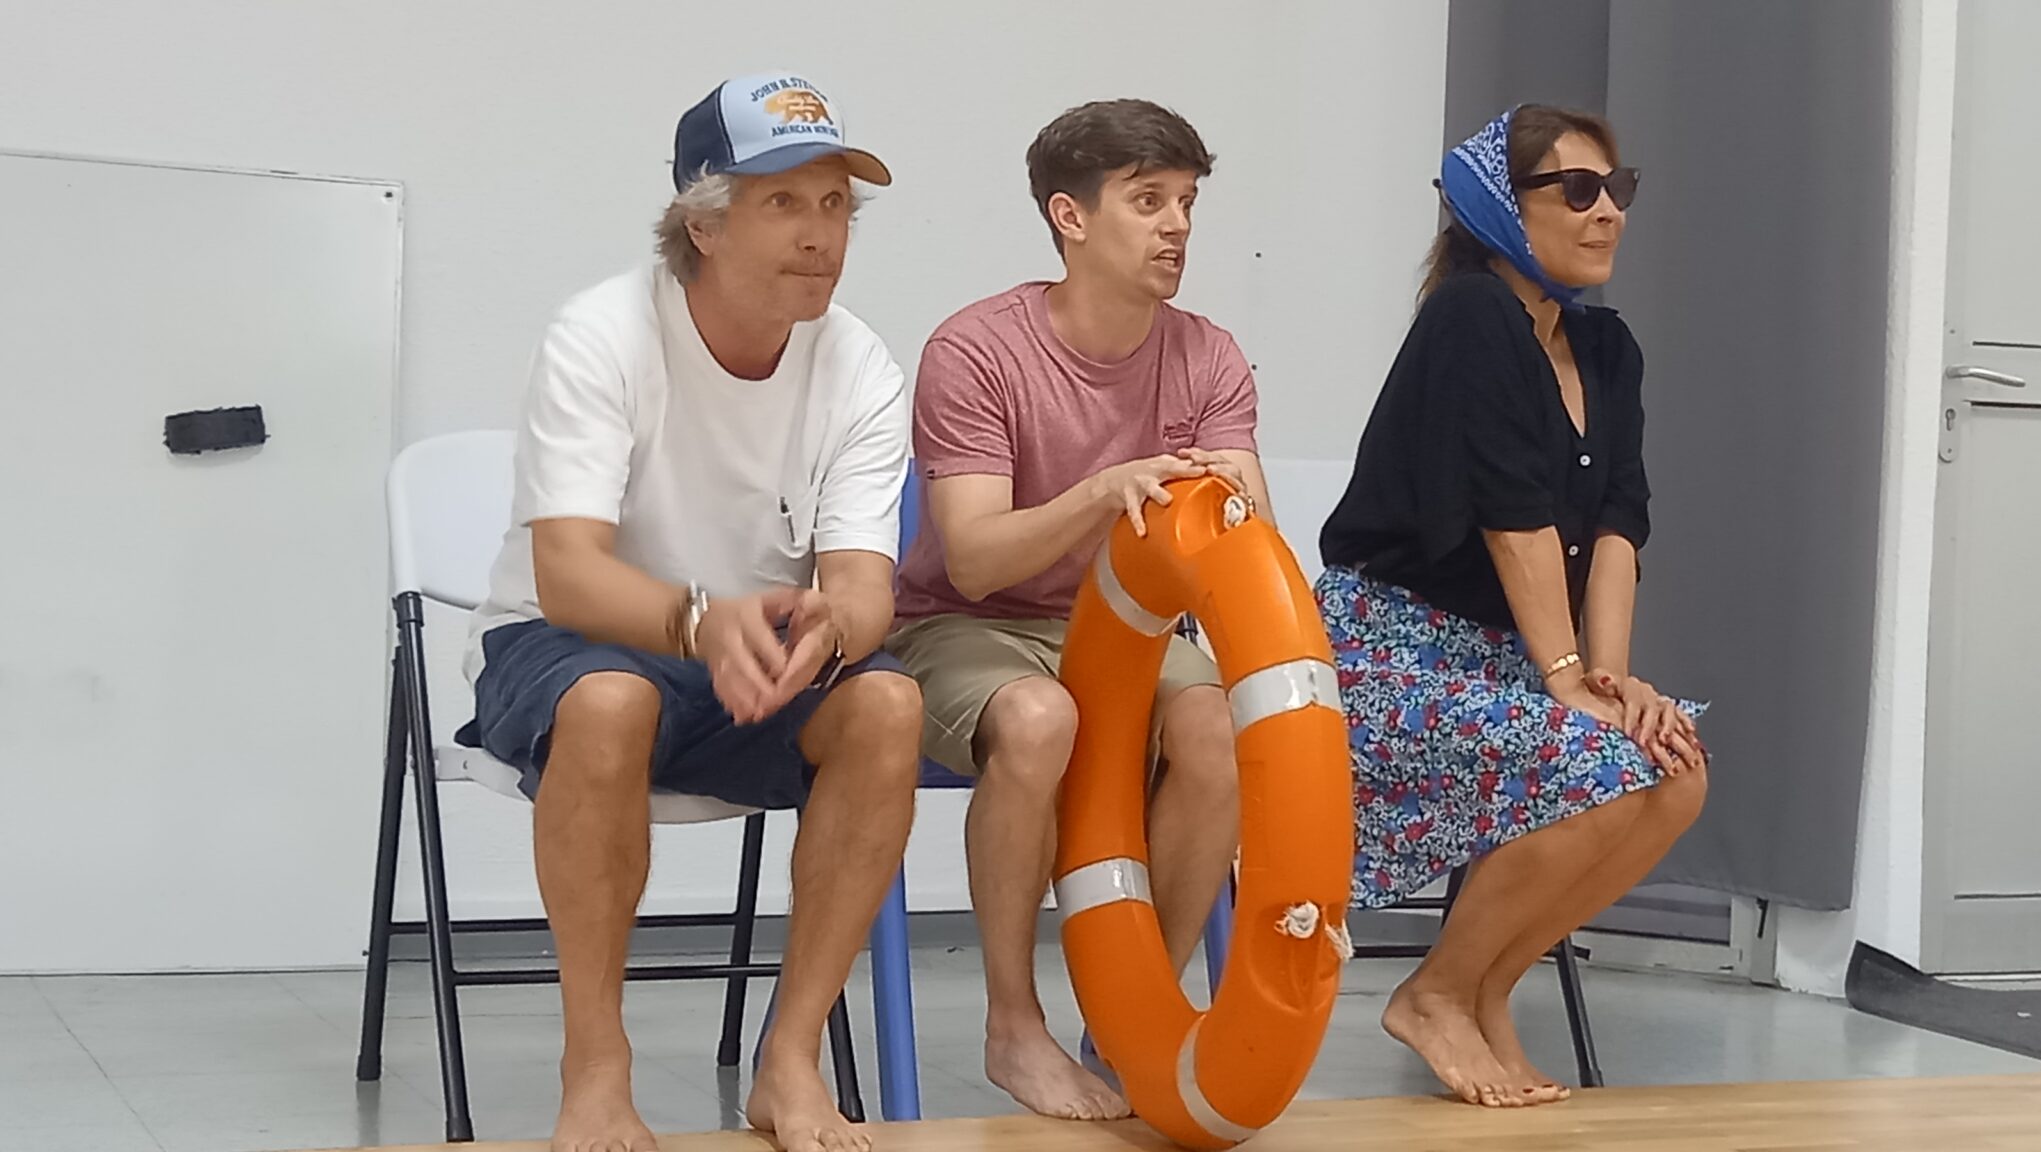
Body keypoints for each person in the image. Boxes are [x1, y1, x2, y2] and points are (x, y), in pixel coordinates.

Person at [457, 72, 920, 1152]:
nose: (820, 235)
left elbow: (864, 587)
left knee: (888, 707)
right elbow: (569, 575)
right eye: (783, 202)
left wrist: (833, 629)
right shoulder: (601, 332)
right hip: (573, 644)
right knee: (611, 701)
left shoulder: (858, 360)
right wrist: (704, 621)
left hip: (749, 657)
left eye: (835, 205)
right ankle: (596, 1067)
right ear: (702, 223)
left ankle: (790, 1061)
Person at [1317, 104, 1710, 1109]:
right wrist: (1568, 681)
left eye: (1617, 189)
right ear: (1502, 207)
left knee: (1673, 773)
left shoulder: (1608, 348)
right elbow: (1513, 520)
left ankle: (1485, 991)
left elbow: (1618, 528)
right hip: (1390, 653)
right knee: (1598, 770)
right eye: (1576, 190)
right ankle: (1435, 993)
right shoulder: (1471, 313)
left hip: (1510, 656)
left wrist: (1610, 681)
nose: (1607, 211)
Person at [885, 98, 1265, 1121]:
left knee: (1218, 728)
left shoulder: (1210, 356)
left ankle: (1132, 1013)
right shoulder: (977, 349)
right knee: (1038, 719)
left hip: (1128, 629)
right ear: (1071, 216)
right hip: (965, 626)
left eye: (1186, 202)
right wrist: (1101, 494)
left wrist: (1234, 508)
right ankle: (1013, 1026)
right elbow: (972, 562)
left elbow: (1242, 558)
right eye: (1148, 201)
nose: (1176, 226)